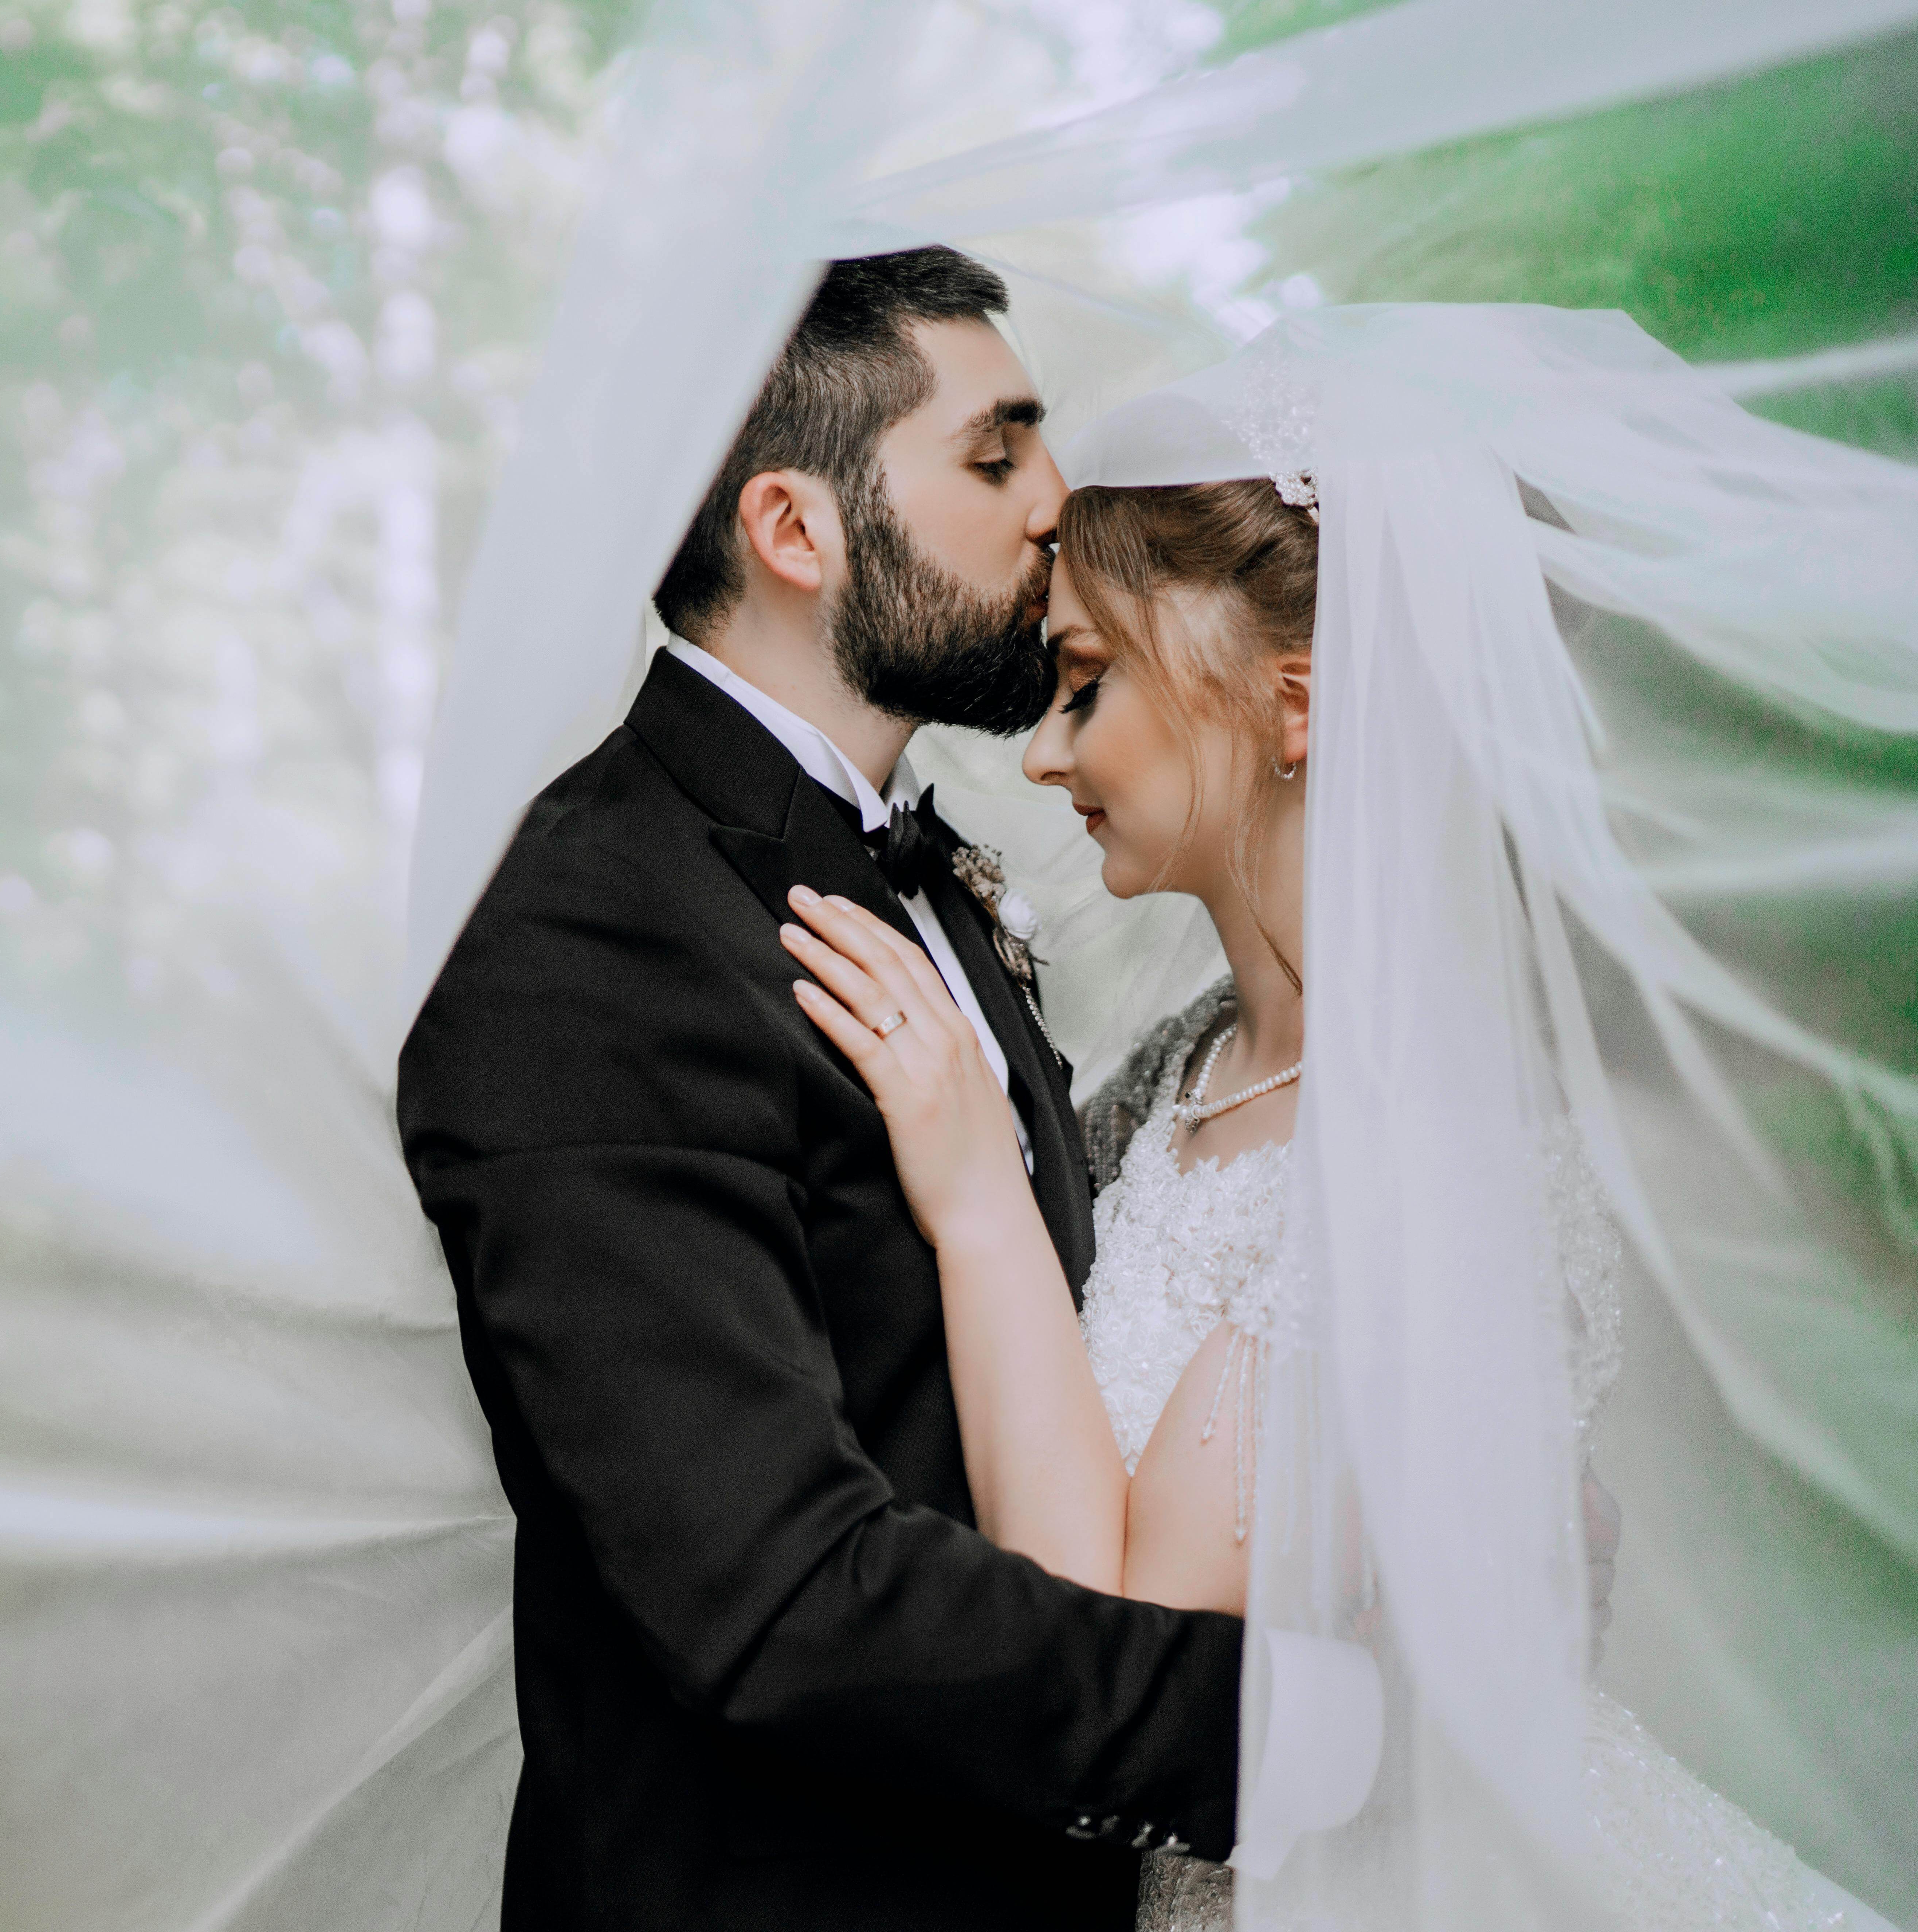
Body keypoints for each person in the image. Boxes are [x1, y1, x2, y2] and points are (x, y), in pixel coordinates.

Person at [777, 304, 1907, 1931]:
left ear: (1293, 707)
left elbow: (1106, 1642)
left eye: (1085, 682)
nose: (1036, 752)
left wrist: (966, 1201)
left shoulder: (1402, 1149)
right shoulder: (1181, 1072)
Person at [397, 248, 1354, 1932]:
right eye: (994, 458)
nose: (1056, 508)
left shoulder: (911, 867)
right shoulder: (594, 938)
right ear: (793, 531)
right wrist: (1302, 1730)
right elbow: (775, 1598)